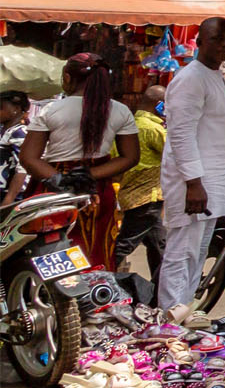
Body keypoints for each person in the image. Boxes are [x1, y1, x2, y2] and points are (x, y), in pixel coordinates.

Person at [19, 54, 140, 269]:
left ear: (67, 77)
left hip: (52, 188)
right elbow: (130, 157)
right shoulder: (120, 111)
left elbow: (29, 158)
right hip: (96, 189)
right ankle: (96, 293)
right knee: (95, 249)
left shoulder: (52, 110)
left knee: (45, 250)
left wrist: (60, 179)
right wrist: (88, 175)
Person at [158, 17, 225, 317]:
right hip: (194, 184)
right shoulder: (191, 78)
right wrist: (193, 182)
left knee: (197, 253)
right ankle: (168, 320)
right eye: (218, 39)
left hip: (210, 184)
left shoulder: (214, 76)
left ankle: (183, 315)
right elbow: (180, 133)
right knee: (182, 253)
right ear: (200, 41)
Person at [115, 86, 169, 275]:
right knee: (124, 245)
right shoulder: (153, 129)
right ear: (159, 105)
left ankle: (160, 290)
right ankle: (101, 279)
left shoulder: (129, 125)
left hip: (133, 194)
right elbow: (175, 156)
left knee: (159, 245)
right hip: (146, 197)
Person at [0, 91, 30, 206]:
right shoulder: (4, 131)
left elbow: (22, 168)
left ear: (16, 109)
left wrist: (8, 200)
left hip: (9, 196)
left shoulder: (19, 133)